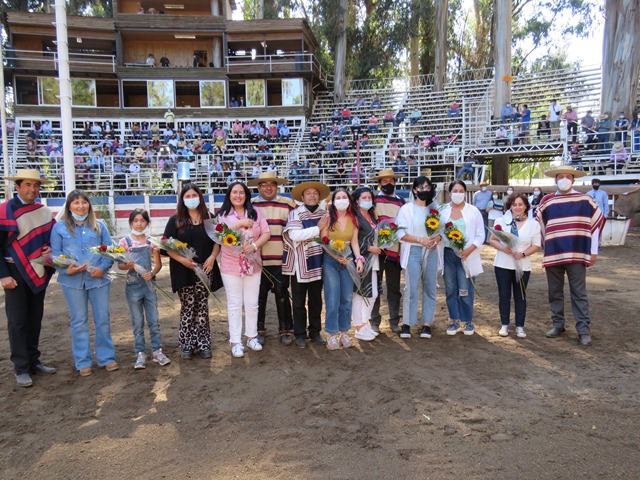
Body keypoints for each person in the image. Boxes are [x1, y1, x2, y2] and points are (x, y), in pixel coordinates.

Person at [50, 190, 118, 377]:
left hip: (98, 280)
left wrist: (102, 268)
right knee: (78, 321)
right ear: (69, 206)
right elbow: (55, 254)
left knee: (102, 318)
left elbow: (109, 250)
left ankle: (106, 357)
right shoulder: (59, 228)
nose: (80, 206)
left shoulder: (99, 226)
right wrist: (66, 269)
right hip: (72, 282)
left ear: (89, 205)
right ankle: (82, 361)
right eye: (76, 202)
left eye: (84, 202)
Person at [537, 166, 605, 346]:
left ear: (573, 180)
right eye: (560, 176)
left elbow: (595, 226)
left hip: (577, 252)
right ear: (555, 179)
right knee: (554, 292)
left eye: (568, 176)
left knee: (579, 293)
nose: (564, 179)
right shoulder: (547, 201)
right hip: (553, 253)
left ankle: (583, 330)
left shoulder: (585, 200)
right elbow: (540, 225)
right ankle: (558, 324)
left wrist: (593, 251)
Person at [0, 170, 56, 387]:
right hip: (13, 272)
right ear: (17, 187)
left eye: (36, 185)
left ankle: (34, 361)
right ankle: (21, 367)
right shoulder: (5, 210)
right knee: (17, 321)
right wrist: (3, 275)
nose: (32, 189)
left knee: (34, 318)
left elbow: (50, 240)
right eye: (28, 185)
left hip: (37, 269)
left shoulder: (43, 212)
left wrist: (49, 250)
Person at [163, 183, 221, 359]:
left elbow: (218, 241)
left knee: (202, 306)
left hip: (205, 269)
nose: (191, 199)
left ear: (200, 197)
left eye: (193, 195)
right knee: (188, 307)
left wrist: (212, 257)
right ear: (182, 199)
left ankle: (204, 343)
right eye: (187, 196)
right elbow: (166, 246)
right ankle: (186, 344)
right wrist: (182, 260)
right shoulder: (175, 220)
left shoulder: (209, 218)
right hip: (183, 270)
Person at [213, 182, 270, 358]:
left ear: (246, 195)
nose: (238, 196)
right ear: (229, 195)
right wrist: (239, 224)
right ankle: (236, 341)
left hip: (253, 264)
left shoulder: (256, 212)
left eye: (241, 192)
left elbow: (266, 233)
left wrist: (254, 246)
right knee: (235, 304)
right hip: (231, 266)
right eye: (234, 192)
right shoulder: (222, 215)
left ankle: (252, 337)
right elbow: (219, 237)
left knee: (252, 303)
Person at [117, 209, 170, 369]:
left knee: (154, 320)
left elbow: (158, 264)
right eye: (135, 221)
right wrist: (128, 265)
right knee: (138, 321)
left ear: (147, 222)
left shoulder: (151, 242)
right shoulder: (124, 242)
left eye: (142, 221)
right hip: (133, 285)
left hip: (149, 285)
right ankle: (140, 353)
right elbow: (120, 265)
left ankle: (157, 351)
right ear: (131, 223)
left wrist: (151, 273)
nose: (139, 224)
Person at [249, 172, 297, 346]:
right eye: (264, 184)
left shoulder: (288, 204)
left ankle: (285, 329)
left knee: (282, 294)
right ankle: (258, 329)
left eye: (272, 184)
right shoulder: (251, 205)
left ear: (277, 186)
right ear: (258, 187)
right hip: (257, 259)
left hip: (280, 258)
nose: (268, 188)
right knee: (258, 296)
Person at [283, 181, 330, 348]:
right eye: (308, 193)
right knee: (298, 302)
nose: (312, 196)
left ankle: (315, 331)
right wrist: (317, 229)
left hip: (319, 262)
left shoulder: (325, 214)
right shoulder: (296, 213)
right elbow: (295, 235)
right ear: (302, 197)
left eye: (315, 193)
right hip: (300, 264)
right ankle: (300, 333)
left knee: (316, 300)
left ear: (319, 196)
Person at [489, 193, 541, 338]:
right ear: (510, 206)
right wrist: (503, 248)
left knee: (521, 296)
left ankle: (519, 326)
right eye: (514, 205)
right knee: (504, 296)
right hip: (503, 264)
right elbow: (493, 240)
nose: (517, 207)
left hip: (522, 265)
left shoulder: (533, 224)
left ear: (526, 206)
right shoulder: (501, 221)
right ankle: (504, 324)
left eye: (520, 204)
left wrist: (523, 254)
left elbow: (536, 245)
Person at [395, 176, 441, 339]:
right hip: (413, 250)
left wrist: (436, 239)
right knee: (411, 287)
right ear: (414, 190)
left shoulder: (434, 209)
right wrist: (420, 240)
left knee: (429, 287)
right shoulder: (406, 209)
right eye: (421, 187)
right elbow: (401, 233)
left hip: (431, 251)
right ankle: (407, 323)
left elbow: (442, 231)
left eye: (427, 187)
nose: (424, 190)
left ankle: (427, 323)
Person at [319, 188, 364, 350]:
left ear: (349, 200)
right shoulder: (327, 218)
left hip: (347, 259)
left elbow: (354, 242)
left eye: (344, 197)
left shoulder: (354, 219)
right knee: (332, 298)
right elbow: (323, 241)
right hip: (331, 260)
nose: (341, 200)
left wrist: (358, 259)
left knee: (346, 298)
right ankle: (332, 334)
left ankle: (344, 332)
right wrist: (335, 256)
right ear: (333, 201)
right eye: (338, 197)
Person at [440, 180, 485, 336]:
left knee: (465, 289)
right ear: (449, 193)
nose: (458, 194)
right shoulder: (443, 211)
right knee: (451, 288)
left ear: (465, 193)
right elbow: (439, 232)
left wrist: (469, 250)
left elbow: (480, 235)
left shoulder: (473, 211)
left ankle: (468, 321)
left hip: (466, 255)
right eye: (455, 190)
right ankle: (454, 320)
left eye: (461, 191)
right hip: (448, 254)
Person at [370, 169, 405, 334]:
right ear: (379, 183)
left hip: (395, 251)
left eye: (391, 181)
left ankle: (394, 320)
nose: (388, 184)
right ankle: (374, 321)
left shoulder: (401, 202)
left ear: (395, 182)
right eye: (385, 181)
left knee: (394, 288)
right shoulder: (373, 201)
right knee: (375, 287)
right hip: (377, 251)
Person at [351, 188, 380, 341]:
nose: (367, 200)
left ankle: (364, 323)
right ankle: (359, 327)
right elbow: (353, 239)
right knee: (359, 293)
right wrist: (368, 248)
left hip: (373, 259)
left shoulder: (372, 215)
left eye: (369, 197)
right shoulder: (355, 216)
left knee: (373, 293)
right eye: (364, 197)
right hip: (361, 258)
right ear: (357, 200)